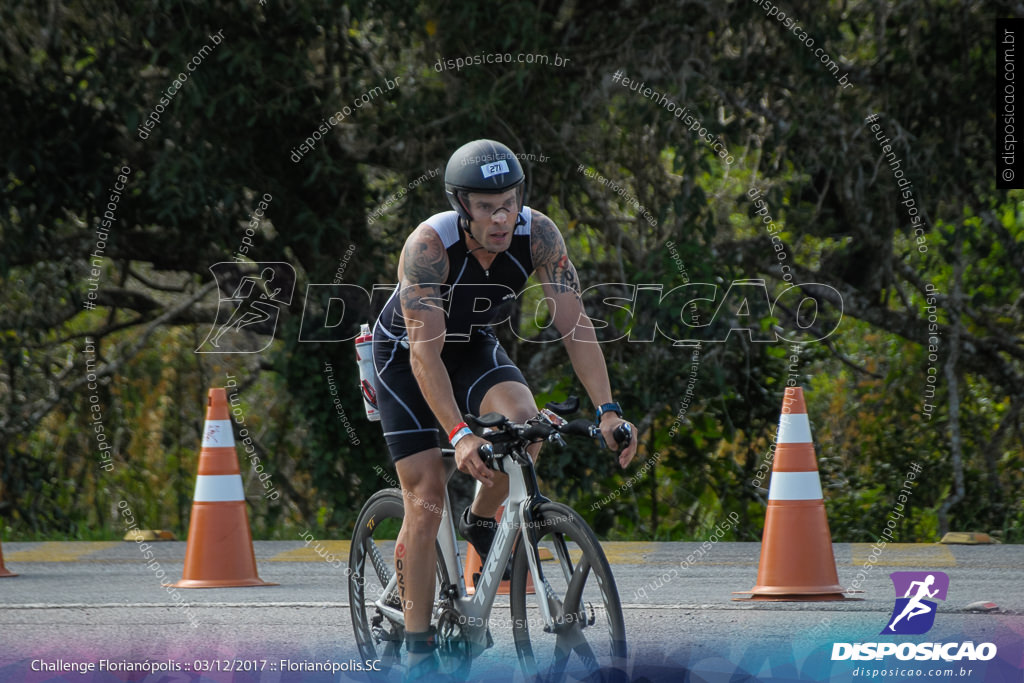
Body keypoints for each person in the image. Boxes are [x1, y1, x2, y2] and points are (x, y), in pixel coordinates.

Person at [371, 139, 638, 679]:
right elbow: (425, 357)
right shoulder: (428, 247)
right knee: (424, 494)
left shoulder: (539, 235)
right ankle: (418, 648)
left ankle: (481, 518)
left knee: (527, 427)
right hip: (406, 356)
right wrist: (459, 433)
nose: (501, 215)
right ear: (460, 206)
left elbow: (575, 326)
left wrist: (608, 410)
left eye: (510, 201)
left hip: (469, 345)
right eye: (486, 204)